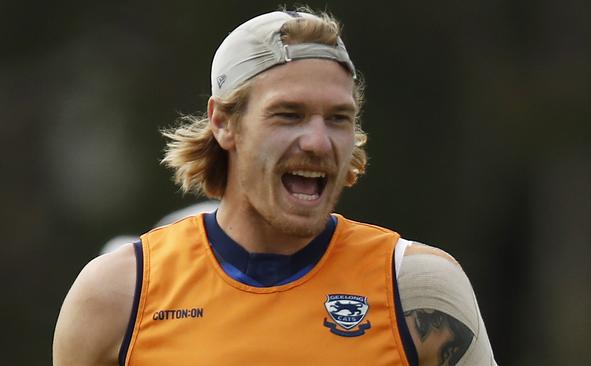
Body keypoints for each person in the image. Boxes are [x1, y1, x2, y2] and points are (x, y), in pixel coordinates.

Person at [53, 9, 497, 366]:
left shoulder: (416, 287)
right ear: (224, 123)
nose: (319, 141)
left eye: (338, 118)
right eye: (289, 114)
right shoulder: (118, 294)